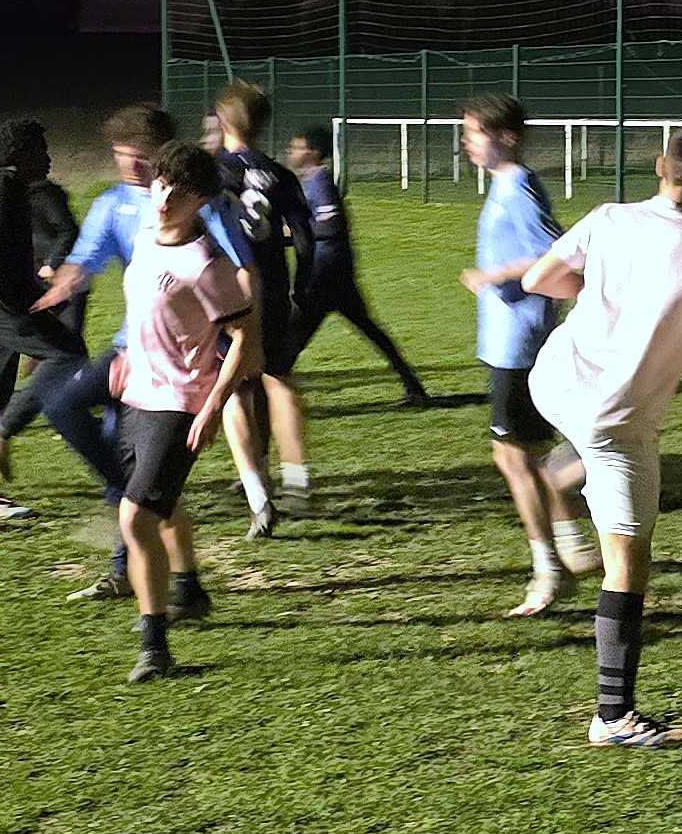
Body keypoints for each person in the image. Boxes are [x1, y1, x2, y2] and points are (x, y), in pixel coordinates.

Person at [521, 125, 682, 750]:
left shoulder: (608, 218)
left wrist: (596, 292)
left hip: (555, 383)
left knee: (584, 454)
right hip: (616, 420)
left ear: (659, 166)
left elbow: (540, 279)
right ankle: (612, 717)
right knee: (628, 564)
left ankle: (560, 475)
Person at [37, 104, 251, 598]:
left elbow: (236, 278)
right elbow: (85, 258)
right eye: (121, 156)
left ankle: (136, 583)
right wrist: (60, 284)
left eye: (141, 158)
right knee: (69, 412)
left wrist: (227, 377)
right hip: (131, 357)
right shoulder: (119, 209)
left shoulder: (200, 220)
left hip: (181, 369)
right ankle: (174, 574)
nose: (131, 167)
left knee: (137, 492)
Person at [112, 141, 263, 682]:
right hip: (139, 395)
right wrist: (129, 354)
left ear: (200, 200)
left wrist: (212, 405)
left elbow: (247, 341)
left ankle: (155, 647)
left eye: (179, 190)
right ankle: (189, 589)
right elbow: (142, 309)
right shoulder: (142, 240)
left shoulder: (206, 266)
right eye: (160, 183)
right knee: (162, 504)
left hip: (179, 403)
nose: (164, 196)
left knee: (136, 517)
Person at [455, 94, 594, 618]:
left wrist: (491, 276)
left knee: (513, 458)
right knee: (527, 456)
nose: (467, 141)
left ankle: (548, 570)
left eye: (475, 132)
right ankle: (566, 546)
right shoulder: (506, 185)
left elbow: (554, 254)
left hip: (518, 345)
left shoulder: (518, 186)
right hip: (508, 343)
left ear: (506, 136)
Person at [0, 119, 88, 535]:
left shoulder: (12, 191)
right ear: (21, 155)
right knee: (69, 352)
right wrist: (20, 308)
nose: (48, 157)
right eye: (41, 149)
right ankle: (2, 431)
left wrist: (33, 295)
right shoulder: (2, 193)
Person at [205, 82, 318, 530]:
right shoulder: (283, 176)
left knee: (234, 386)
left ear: (224, 122)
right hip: (272, 290)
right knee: (275, 379)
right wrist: (301, 289)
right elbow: (306, 242)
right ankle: (293, 479)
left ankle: (256, 481)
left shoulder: (213, 173)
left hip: (229, 294)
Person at [285, 129, 432, 406]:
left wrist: (296, 232)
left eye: (296, 146)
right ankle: (413, 386)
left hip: (326, 275)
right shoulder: (312, 181)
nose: (290, 152)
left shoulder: (320, 181)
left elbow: (331, 225)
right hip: (333, 273)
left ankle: (272, 394)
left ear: (312, 153)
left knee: (292, 339)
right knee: (368, 331)